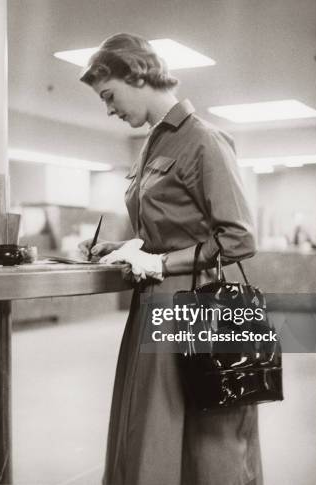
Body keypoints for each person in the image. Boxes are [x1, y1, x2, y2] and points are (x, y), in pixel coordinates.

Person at [78, 33, 262, 485]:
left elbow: (238, 238)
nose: (109, 109)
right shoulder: (152, 146)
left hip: (197, 308)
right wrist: (127, 247)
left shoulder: (203, 140)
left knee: (208, 439)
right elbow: (165, 229)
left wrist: (162, 264)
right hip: (155, 306)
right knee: (151, 433)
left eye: (109, 95)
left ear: (136, 74)